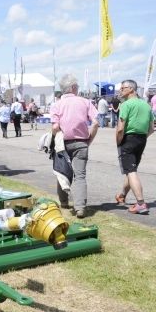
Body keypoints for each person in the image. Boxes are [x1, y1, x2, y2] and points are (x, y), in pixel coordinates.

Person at [51, 74, 99, 218]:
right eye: (77, 86)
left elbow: (55, 127)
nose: (78, 88)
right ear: (73, 87)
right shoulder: (85, 102)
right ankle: (80, 208)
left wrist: (55, 137)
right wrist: (89, 139)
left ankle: (64, 202)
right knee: (80, 176)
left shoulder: (57, 104)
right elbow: (95, 123)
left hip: (63, 144)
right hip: (81, 143)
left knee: (62, 172)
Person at [115, 79, 154, 215]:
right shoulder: (146, 105)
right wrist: (141, 138)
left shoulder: (126, 105)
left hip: (128, 139)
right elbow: (151, 128)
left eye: (123, 88)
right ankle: (122, 195)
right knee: (131, 169)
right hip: (142, 139)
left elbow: (120, 128)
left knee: (131, 171)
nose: (120, 90)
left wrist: (119, 141)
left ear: (131, 89)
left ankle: (141, 203)